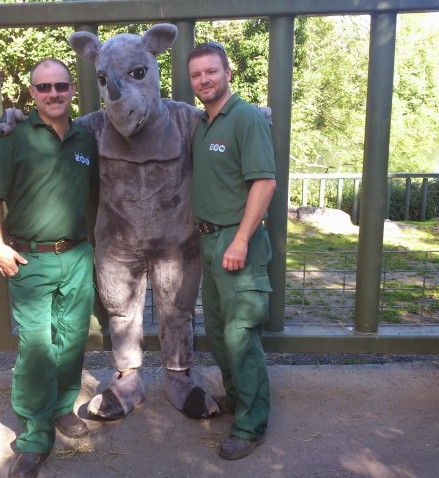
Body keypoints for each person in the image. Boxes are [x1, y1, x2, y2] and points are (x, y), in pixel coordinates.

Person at [0, 58, 98, 478]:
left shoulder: (86, 138)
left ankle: (62, 409)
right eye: (43, 87)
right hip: (29, 258)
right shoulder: (15, 139)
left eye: (60, 86)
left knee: (71, 340)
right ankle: (34, 436)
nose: (53, 94)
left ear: (70, 90)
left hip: (78, 255)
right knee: (34, 346)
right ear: (32, 93)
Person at [187, 42, 277, 460]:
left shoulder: (245, 118)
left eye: (211, 72)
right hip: (209, 240)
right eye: (196, 75)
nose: (204, 80)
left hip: (236, 240)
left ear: (228, 72)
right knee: (222, 335)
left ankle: (251, 425)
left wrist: (241, 239)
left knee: (241, 336)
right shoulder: (204, 123)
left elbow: (264, 183)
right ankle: (239, 400)